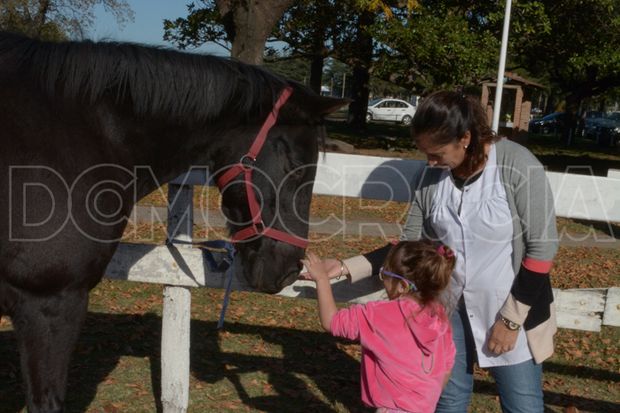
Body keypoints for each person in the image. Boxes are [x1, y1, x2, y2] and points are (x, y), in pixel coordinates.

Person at [311, 91, 559, 413]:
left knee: (522, 404)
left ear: (466, 138)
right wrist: (346, 267)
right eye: (425, 153)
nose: (430, 161)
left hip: (513, 309)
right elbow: (410, 246)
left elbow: (542, 249)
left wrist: (510, 321)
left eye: (437, 153)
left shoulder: (516, 164)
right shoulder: (431, 177)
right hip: (448, 309)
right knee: (449, 400)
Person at [302, 240, 456, 413]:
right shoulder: (439, 315)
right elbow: (447, 367)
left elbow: (331, 321)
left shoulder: (381, 314)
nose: (383, 282)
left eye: (385, 275)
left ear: (402, 286)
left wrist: (321, 278)